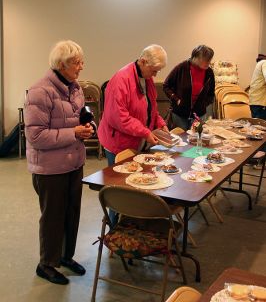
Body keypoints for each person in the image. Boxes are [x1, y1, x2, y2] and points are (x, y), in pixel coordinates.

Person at [24, 40, 94, 285]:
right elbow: (35, 136)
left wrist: (88, 126)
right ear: (62, 64)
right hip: (49, 168)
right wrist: (74, 133)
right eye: (77, 63)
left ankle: (65, 256)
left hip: (74, 162)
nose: (81, 66)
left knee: (72, 213)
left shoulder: (74, 87)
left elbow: (79, 116)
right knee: (53, 217)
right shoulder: (40, 92)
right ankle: (46, 264)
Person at [98, 44, 169, 166]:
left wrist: (160, 123)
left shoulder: (147, 78)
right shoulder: (121, 80)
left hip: (138, 142)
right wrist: (145, 132)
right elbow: (120, 118)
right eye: (154, 70)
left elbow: (151, 108)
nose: (155, 75)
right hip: (120, 145)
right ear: (143, 62)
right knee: (120, 182)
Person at [163, 45, 215, 130]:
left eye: (209, 60)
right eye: (206, 60)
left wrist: (203, 104)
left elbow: (211, 94)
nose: (208, 63)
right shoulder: (181, 68)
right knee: (180, 141)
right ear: (196, 57)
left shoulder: (209, 72)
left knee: (197, 140)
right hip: (179, 114)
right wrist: (176, 99)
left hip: (199, 115)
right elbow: (166, 86)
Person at [249, 54, 266, 120]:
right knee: (261, 128)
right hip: (260, 102)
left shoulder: (261, 63)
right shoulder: (264, 63)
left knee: (257, 126)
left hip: (257, 101)